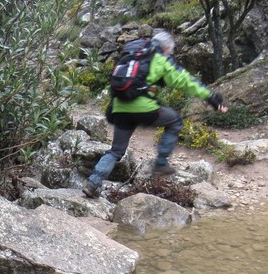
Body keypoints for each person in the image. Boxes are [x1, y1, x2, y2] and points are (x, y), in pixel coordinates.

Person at [83, 30, 228, 199]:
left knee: (116, 151)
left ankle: (92, 184)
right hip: (144, 108)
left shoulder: (131, 55)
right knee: (174, 121)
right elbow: (185, 81)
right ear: (166, 48)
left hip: (120, 107)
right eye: (170, 51)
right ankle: (161, 163)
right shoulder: (159, 58)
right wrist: (212, 98)